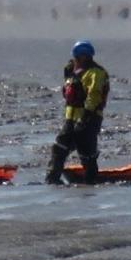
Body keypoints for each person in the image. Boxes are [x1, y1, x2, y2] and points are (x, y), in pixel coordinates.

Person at [46, 40, 110, 185]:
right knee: (59, 149)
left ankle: (91, 182)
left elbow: (94, 96)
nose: (74, 60)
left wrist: (85, 117)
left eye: (76, 57)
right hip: (71, 119)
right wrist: (68, 78)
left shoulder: (96, 73)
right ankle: (52, 180)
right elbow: (69, 96)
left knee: (87, 155)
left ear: (83, 56)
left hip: (88, 120)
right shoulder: (74, 73)